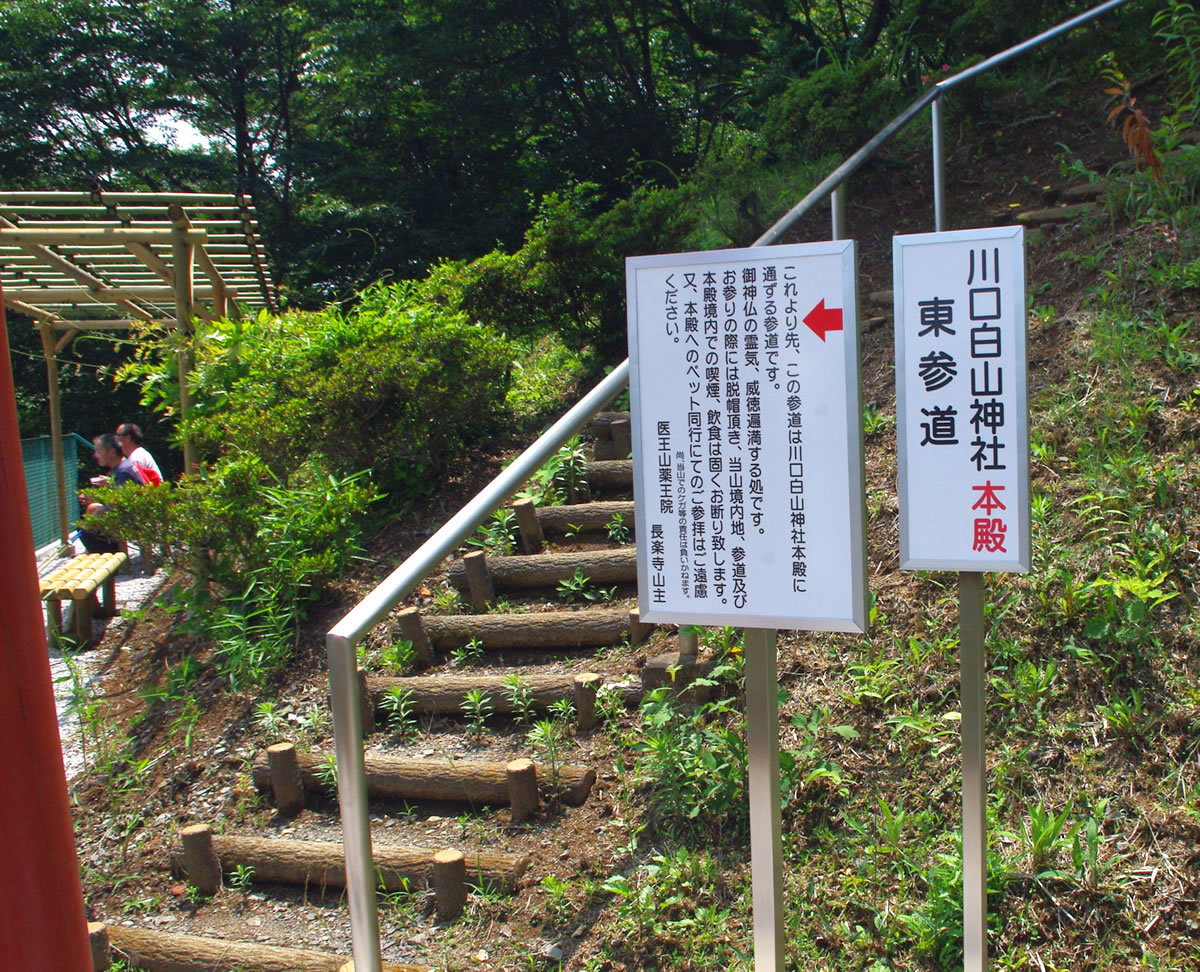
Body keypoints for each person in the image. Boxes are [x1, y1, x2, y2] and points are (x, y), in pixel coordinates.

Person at [78, 433, 144, 554]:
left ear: (112, 452)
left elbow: (122, 502)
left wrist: (100, 511)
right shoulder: (121, 466)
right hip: (131, 512)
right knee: (92, 508)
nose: (96, 455)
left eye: (99, 451)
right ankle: (97, 551)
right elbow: (120, 494)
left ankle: (109, 555)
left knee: (86, 528)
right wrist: (96, 498)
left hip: (132, 517)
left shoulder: (123, 470)